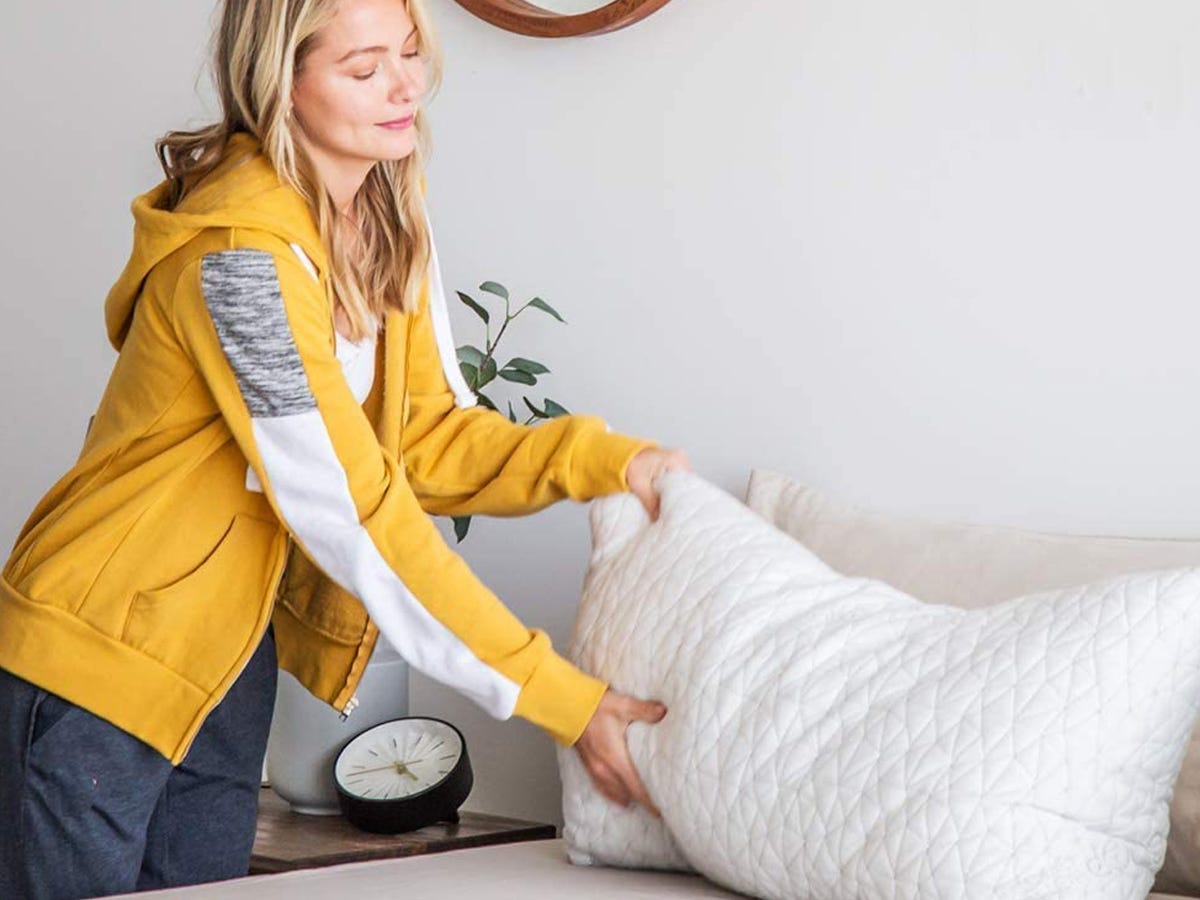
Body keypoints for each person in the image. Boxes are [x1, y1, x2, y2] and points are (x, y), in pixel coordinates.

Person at [0, 0, 691, 895]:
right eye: (364, 69)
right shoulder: (241, 259)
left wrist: (604, 463)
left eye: (409, 53)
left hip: (226, 659)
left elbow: (426, 439)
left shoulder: (389, 215)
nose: (406, 85)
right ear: (279, 85)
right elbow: (356, 512)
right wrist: (564, 699)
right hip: (97, 666)